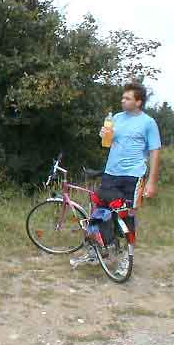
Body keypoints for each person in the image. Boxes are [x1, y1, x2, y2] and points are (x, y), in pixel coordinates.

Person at [70, 82, 161, 274]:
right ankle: (96, 252)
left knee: (127, 217)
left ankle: (127, 258)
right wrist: (104, 135)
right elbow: (108, 143)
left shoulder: (148, 123)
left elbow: (155, 151)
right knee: (99, 212)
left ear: (138, 102)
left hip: (133, 177)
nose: (122, 100)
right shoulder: (117, 118)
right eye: (123, 97)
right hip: (111, 174)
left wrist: (152, 182)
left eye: (127, 98)